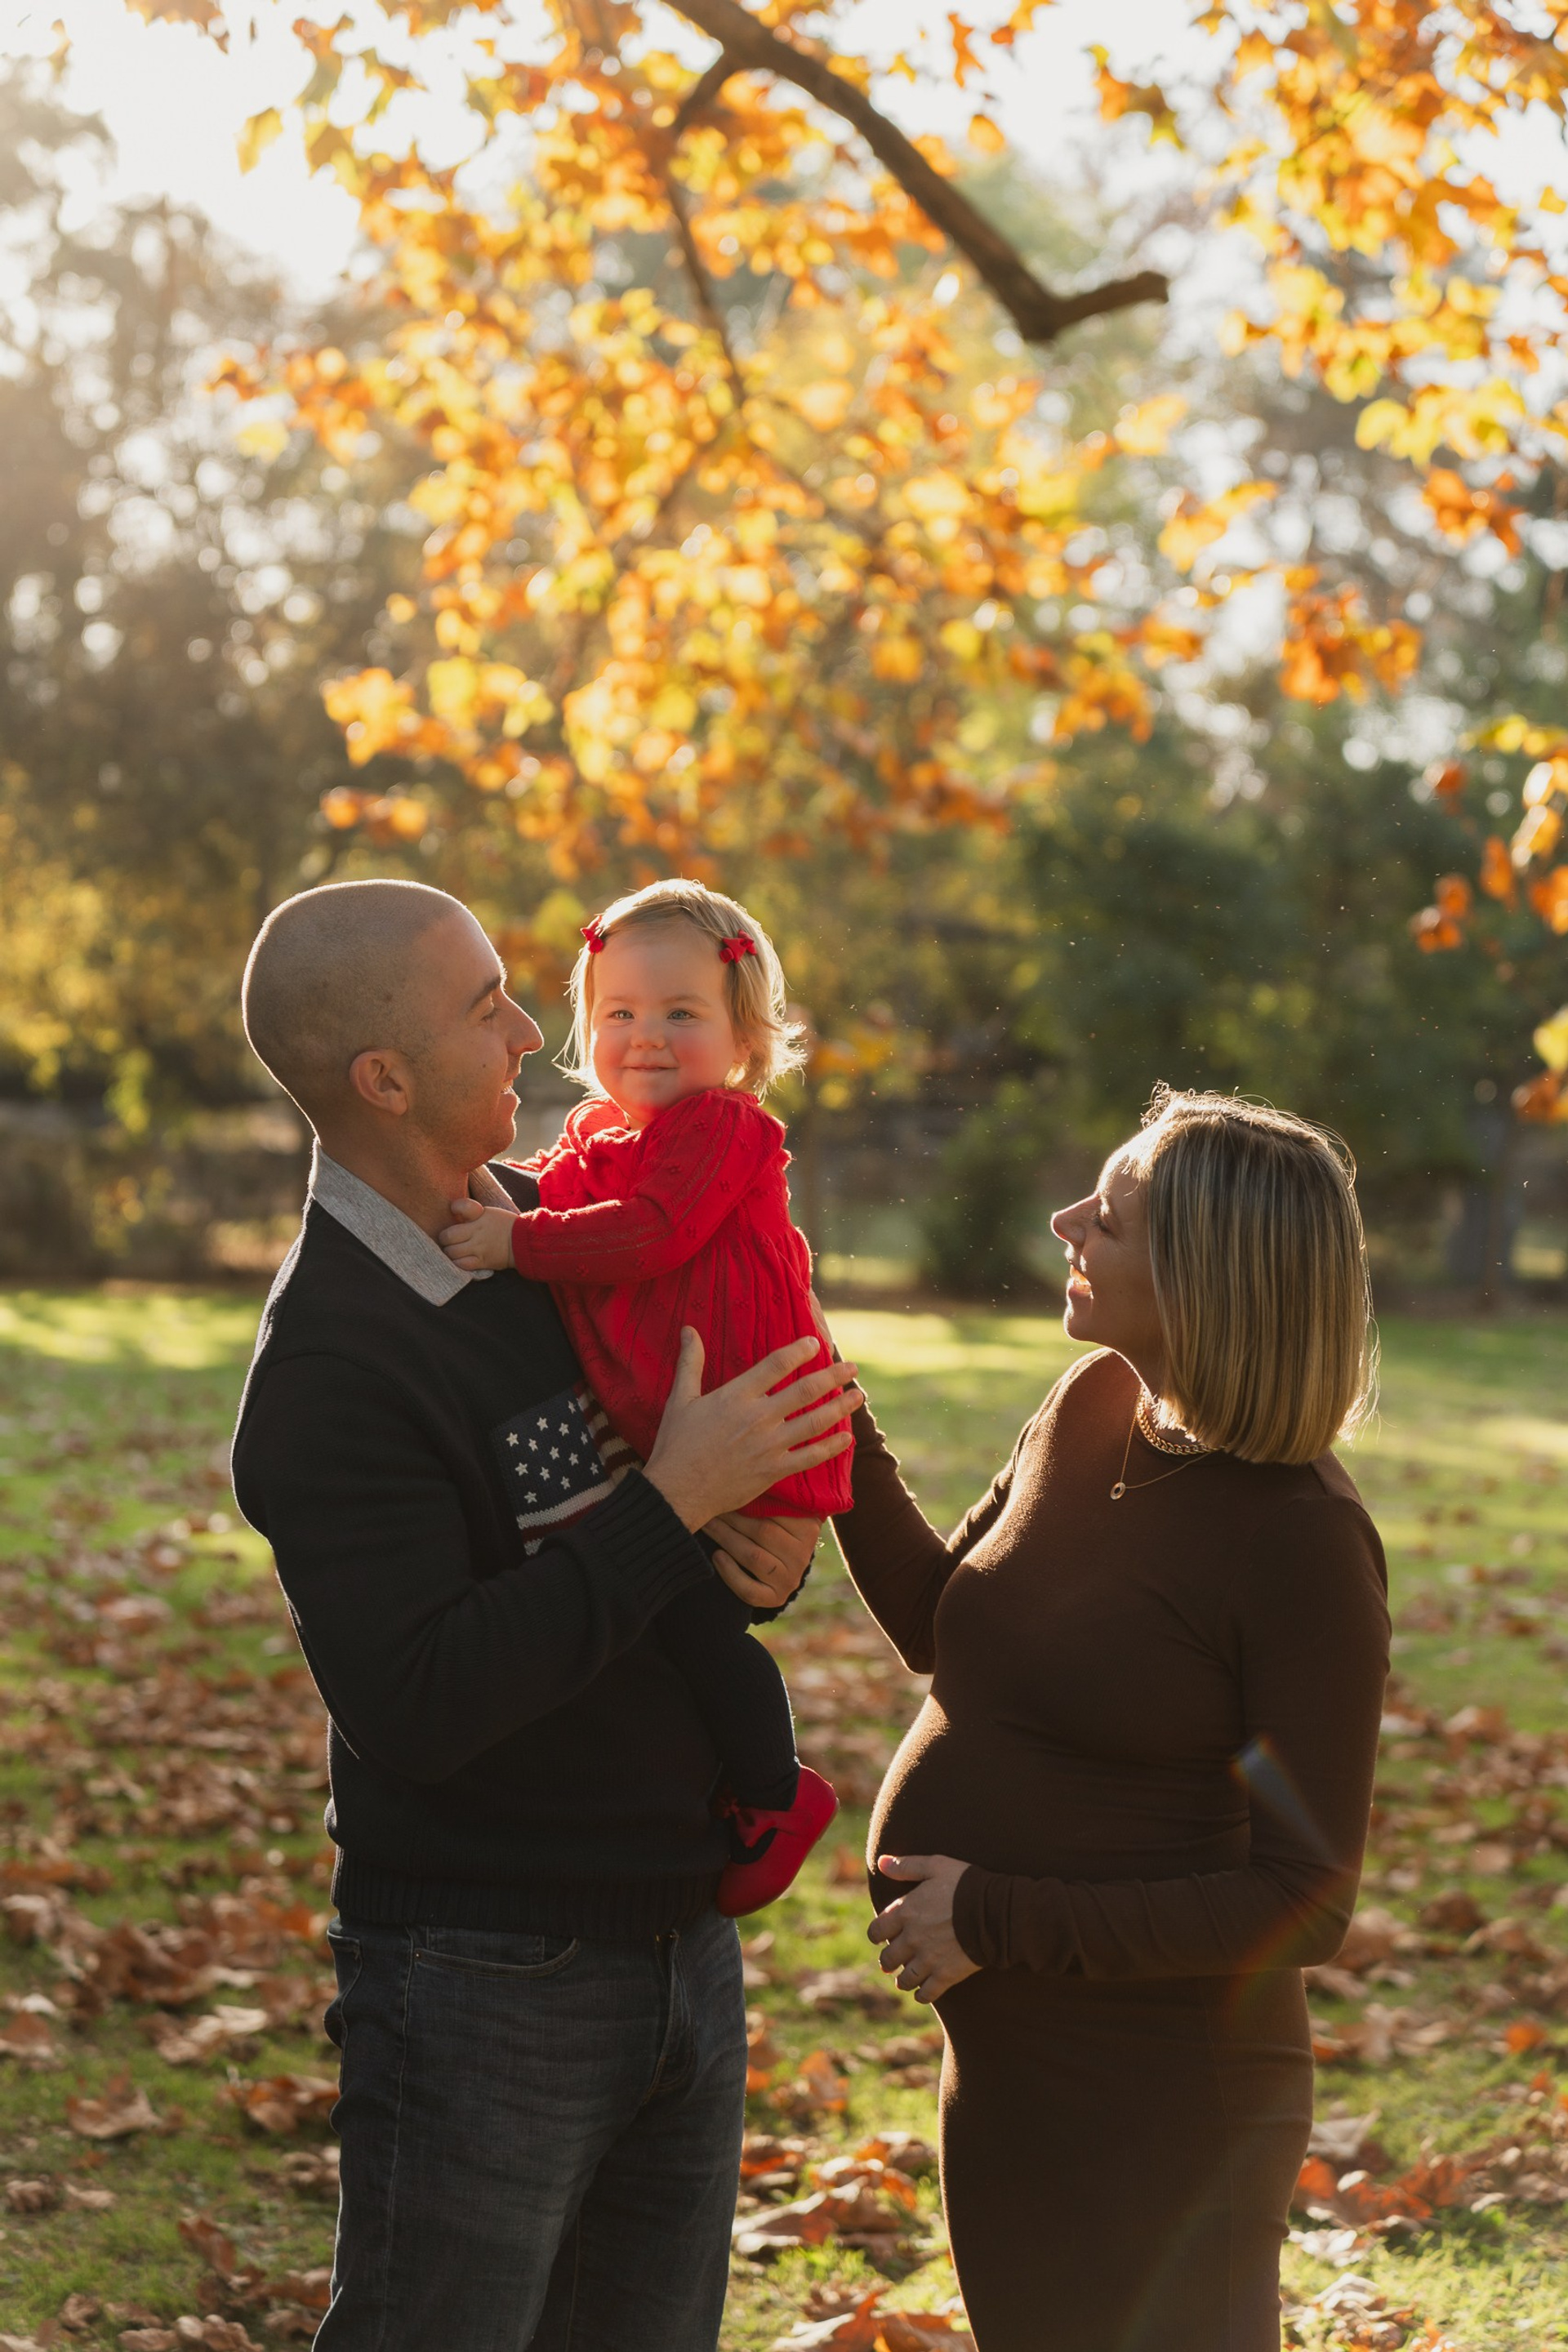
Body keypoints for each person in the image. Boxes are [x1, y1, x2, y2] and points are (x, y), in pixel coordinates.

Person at [229, 877, 857, 2352]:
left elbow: (696, 1442)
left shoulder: (553, 1234)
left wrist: (757, 1544)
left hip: (684, 1941)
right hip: (484, 1979)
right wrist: (673, 1509)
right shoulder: (332, 1365)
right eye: (485, 1005)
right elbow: (424, 1704)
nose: (532, 1030)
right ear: (383, 1078)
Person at [835, 1089, 1390, 2352]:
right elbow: (945, 1627)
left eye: (1116, 1216)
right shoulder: (1093, 1406)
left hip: (1161, 2108)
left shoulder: (1299, 1543)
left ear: (1210, 1274)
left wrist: (993, 1917)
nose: (1065, 1219)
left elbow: (1307, 1898)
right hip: (1011, 2069)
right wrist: (836, 1428)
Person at [438, 880, 847, 1913]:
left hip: (751, 1422)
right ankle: (705, 1787)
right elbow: (568, 1192)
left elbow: (649, 1231)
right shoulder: (598, 1138)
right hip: (681, 1429)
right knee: (663, 1609)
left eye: (682, 1014)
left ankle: (771, 1791)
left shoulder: (719, 1127)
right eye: (619, 1013)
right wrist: (510, 1200)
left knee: (696, 1623)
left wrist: (514, 1242)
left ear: (744, 1040)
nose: (647, 1037)